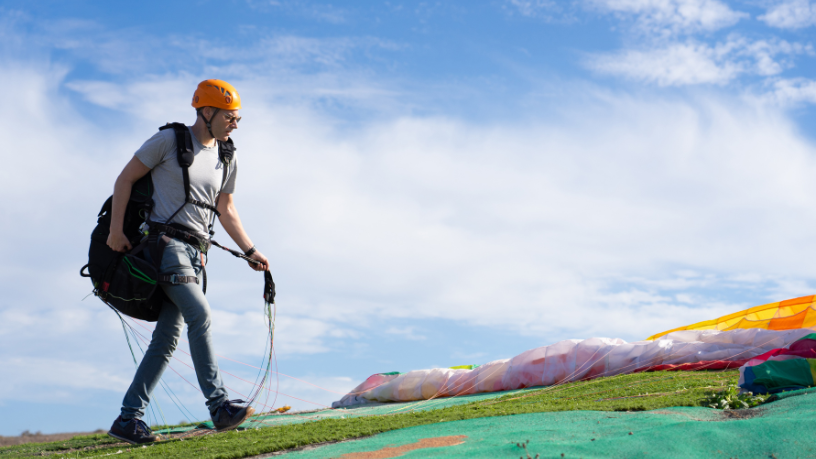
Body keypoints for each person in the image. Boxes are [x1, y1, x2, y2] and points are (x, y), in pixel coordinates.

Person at [105, 79, 269, 444]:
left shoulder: (228, 154)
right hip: (165, 247)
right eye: (231, 116)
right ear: (206, 112)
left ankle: (128, 418)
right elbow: (124, 179)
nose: (236, 123)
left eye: (238, 117)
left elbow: (225, 209)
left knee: (166, 337)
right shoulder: (168, 141)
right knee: (201, 316)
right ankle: (219, 406)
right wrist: (115, 231)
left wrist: (250, 250)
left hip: (197, 254)